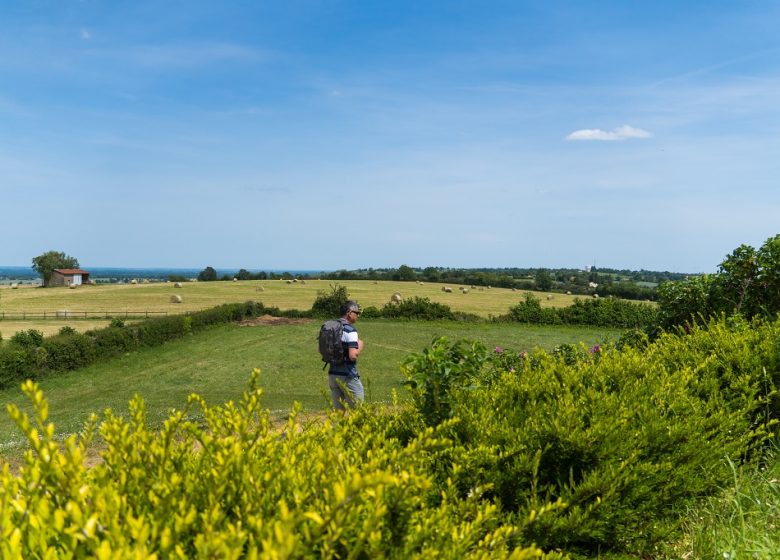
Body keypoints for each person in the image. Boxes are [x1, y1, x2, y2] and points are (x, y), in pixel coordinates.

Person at [328, 300, 364, 410]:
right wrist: (360, 346)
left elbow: (320, 349)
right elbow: (353, 355)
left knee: (339, 413)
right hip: (348, 376)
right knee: (357, 411)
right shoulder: (350, 330)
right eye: (356, 313)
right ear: (349, 313)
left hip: (332, 375)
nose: (358, 315)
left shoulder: (330, 327)